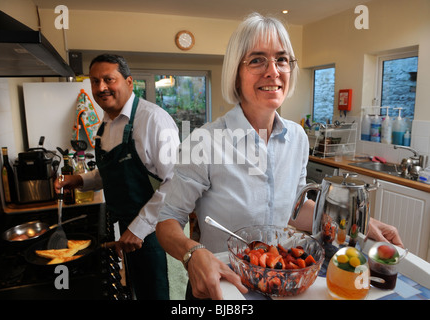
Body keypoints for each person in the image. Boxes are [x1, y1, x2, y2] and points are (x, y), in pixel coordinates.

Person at [156, 13, 404, 300]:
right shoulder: (205, 140)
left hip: (278, 278)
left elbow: (295, 206)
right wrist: (192, 254)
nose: (272, 71)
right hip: (221, 285)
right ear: (236, 73)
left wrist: (353, 224)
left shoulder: (297, 137)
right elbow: (167, 221)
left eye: (282, 59)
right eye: (257, 59)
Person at [55, 54, 180, 300]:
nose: (101, 87)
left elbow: (176, 181)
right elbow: (112, 171)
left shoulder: (153, 120)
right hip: (127, 230)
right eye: (94, 81)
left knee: (160, 293)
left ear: (129, 82)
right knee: (140, 291)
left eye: (108, 79)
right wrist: (79, 179)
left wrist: (140, 227)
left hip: (157, 232)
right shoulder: (105, 126)